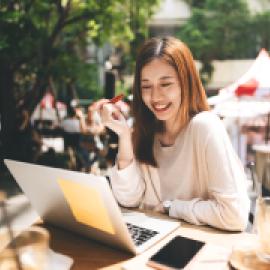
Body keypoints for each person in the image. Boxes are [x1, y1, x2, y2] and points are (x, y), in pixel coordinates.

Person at [97, 37, 250, 231]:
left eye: (166, 84)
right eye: (146, 86)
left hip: (201, 248)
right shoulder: (146, 133)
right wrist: (124, 136)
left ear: (185, 83)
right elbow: (127, 200)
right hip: (155, 243)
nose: (155, 97)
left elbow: (234, 215)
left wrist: (173, 207)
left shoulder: (205, 127)